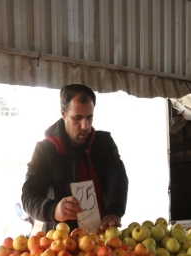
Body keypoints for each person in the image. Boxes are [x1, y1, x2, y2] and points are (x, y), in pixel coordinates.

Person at [22, 83, 129, 233]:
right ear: (63, 114)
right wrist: (53, 210)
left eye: (89, 118)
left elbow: (118, 179)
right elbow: (28, 196)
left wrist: (114, 212)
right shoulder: (45, 150)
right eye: (77, 118)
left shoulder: (104, 143)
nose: (85, 126)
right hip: (62, 245)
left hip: (103, 241)